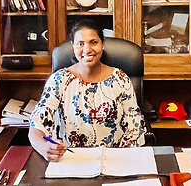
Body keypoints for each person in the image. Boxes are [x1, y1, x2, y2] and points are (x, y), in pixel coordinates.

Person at [29, 19, 146, 161]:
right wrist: (43, 146)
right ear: (73, 47)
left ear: (102, 45)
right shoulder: (59, 80)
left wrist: (120, 160)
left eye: (93, 42)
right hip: (72, 160)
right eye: (80, 44)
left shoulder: (120, 79)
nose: (87, 50)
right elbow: (37, 123)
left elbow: (134, 128)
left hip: (115, 160)